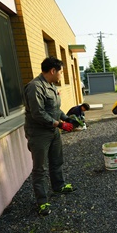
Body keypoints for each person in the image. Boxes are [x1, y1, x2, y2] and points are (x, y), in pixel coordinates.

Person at [24, 56, 77, 216]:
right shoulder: (35, 87)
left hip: (52, 130)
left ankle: (59, 186)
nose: (61, 75)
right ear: (53, 71)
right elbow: (38, 113)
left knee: (56, 160)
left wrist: (66, 118)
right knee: (39, 169)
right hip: (39, 133)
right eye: (60, 72)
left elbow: (54, 108)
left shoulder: (51, 85)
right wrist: (60, 124)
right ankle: (42, 201)